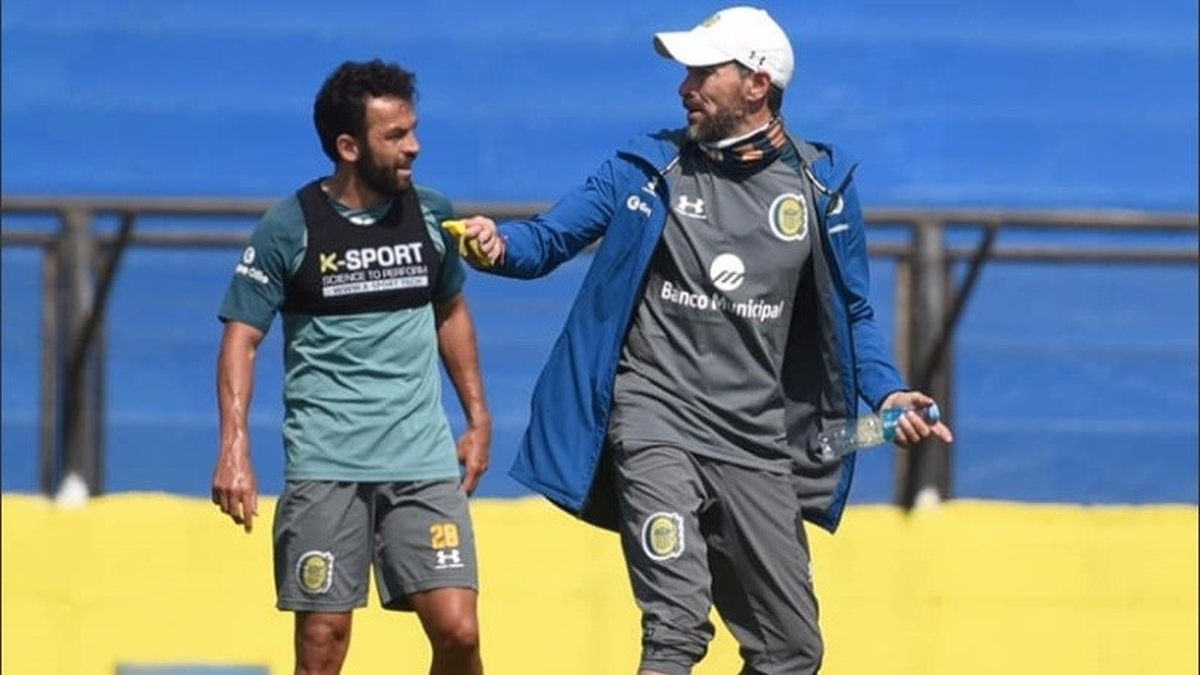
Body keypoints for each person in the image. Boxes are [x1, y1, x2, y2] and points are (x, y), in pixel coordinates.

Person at [453, 7, 954, 675]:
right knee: (677, 627)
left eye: (702, 72)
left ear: (757, 83)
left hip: (756, 441)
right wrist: (496, 246)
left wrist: (887, 390)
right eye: (686, 72)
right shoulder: (646, 167)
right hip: (653, 422)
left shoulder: (822, 189)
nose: (685, 86)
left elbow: (855, 313)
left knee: (792, 651)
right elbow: (543, 241)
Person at [211, 59, 490, 675]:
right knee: (324, 644)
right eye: (395, 136)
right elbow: (242, 339)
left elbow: (451, 313)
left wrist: (477, 415)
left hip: (421, 461)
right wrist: (234, 447)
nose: (414, 146)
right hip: (327, 464)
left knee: (459, 631)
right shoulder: (291, 227)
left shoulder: (431, 215)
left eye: (413, 130)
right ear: (349, 146)